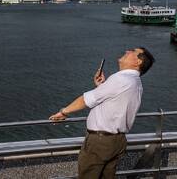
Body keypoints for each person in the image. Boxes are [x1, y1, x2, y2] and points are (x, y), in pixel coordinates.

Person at [49, 47, 155, 179]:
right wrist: (102, 86)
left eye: (133, 51)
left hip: (100, 142)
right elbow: (116, 100)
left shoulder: (121, 79)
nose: (127, 51)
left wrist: (64, 111)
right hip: (117, 141)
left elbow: (86, 100)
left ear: (138, 62)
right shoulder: (135, 82)